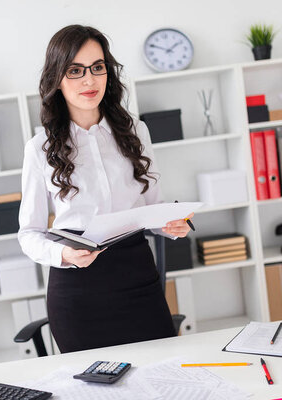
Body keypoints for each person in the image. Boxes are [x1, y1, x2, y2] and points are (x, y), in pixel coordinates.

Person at [18, 24, 194, 353]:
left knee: (160, 375)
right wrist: (63, 255)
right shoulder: (40, 147)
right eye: (75, 70)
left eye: (98, 68)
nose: (90, 80)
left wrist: (173, 225)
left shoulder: (135, 131)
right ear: (57, 78)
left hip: (138, 278)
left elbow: (152, 209)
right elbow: (28, 234)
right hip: (77, 288)